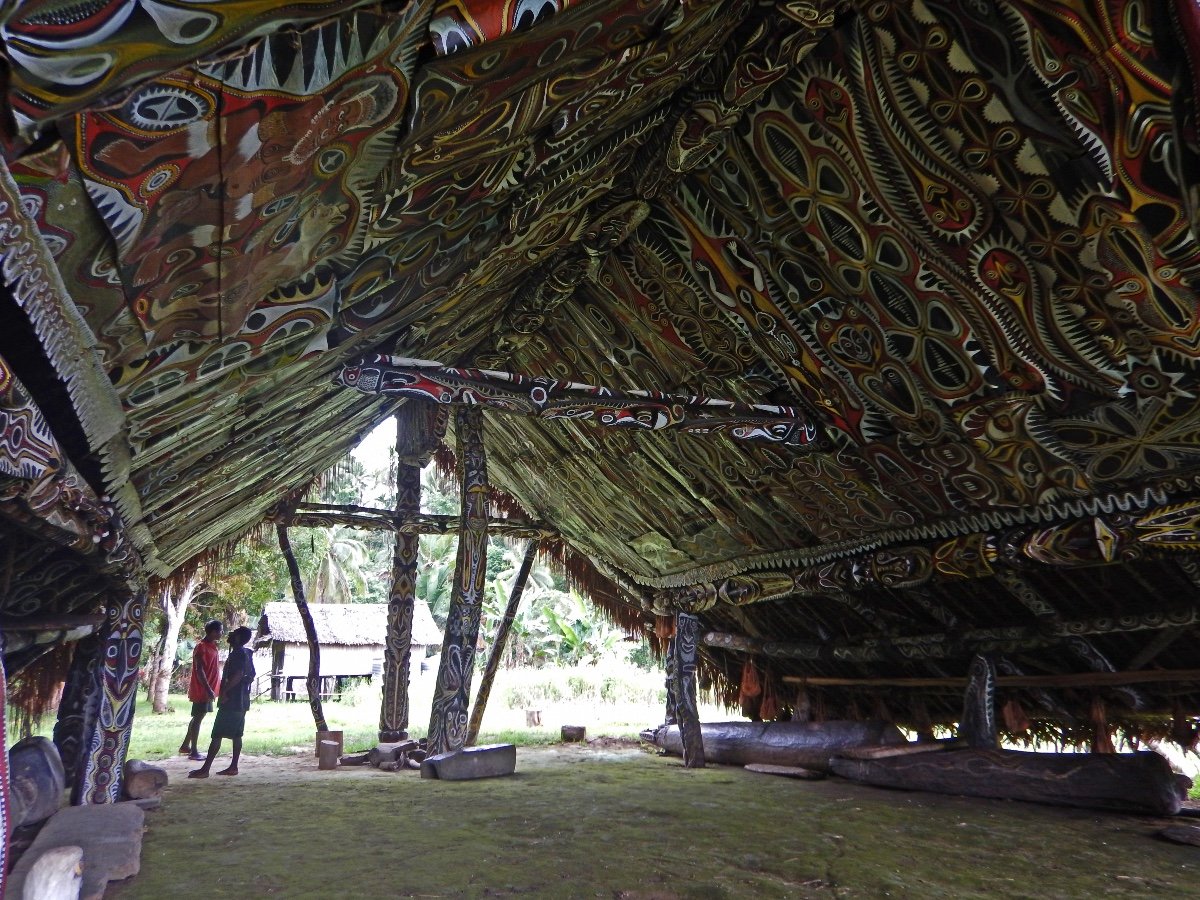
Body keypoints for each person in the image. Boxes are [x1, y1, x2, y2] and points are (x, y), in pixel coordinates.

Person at [189, 626, 256, 778]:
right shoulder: (246, 653)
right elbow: (250, 675)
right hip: (242, 700)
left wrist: (225, 691)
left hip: (232, 700)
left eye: (234, 633)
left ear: (238, 638)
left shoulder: (238, 654)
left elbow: (238, 674)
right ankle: (233, 767)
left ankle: (205, 769)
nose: (230, 634)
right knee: (237, 734)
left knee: (217, 734)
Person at [179, 620, 222, 761]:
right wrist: (208, 688)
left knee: (198, 717)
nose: (221, 633)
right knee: (198, 718)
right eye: (220, 630)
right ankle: (194, 751)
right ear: (213, 632)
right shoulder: (201, 647)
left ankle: (186, 745)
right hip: (203, 689)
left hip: (208, 689)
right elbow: (200, 670)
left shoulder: (213, 647)